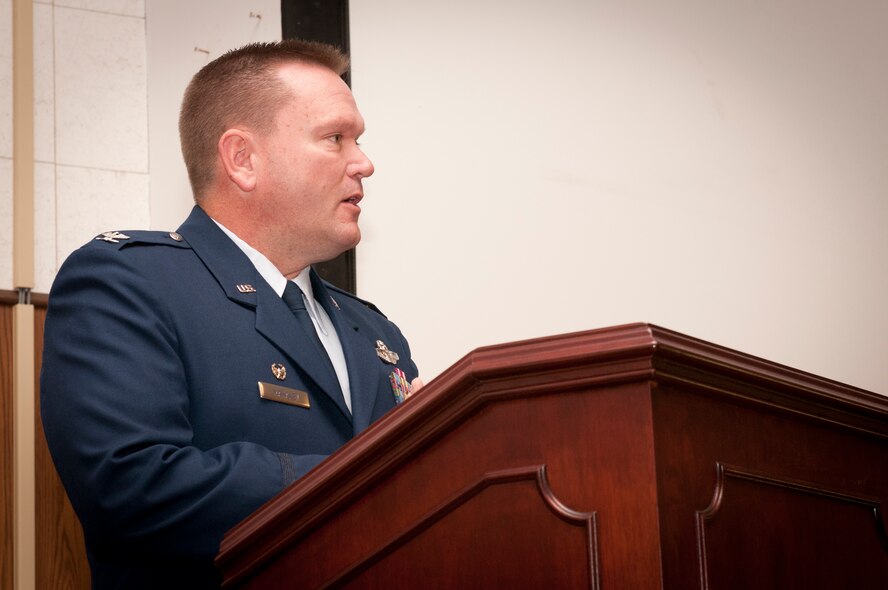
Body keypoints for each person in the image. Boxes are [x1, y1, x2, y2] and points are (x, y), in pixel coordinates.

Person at [40, 39, 421, 588]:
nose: (364, 163)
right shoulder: (130, 283)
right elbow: (131, 488)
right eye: (335, 139)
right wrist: (367, 481)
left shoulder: (374, 332)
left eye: (358, 140)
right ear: (243, 159)